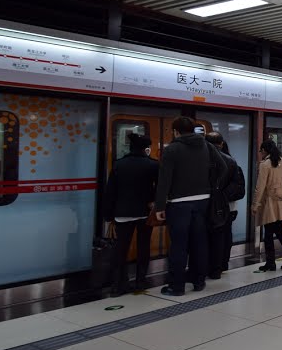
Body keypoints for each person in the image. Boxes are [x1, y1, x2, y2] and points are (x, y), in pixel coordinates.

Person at [154, 117, 227, 296]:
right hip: (203, 201)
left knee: (179, 245)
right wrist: (211, 186)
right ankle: (198, 281)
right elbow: (223, 167)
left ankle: (176, 286)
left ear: (176, 131)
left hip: (178, 204)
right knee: (199, 242)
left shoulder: (172, 149)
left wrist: (159, 206)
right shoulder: (207, 146)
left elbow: (164, 180)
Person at [102, 133, 158, 296]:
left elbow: (110, 192)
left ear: (130, 147)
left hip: (122, 213)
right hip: (144, 213)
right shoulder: (153, 165)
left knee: (121, 248)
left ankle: (118, 284)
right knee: (143, 246)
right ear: (146, 148)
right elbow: (160, 188)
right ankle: (141, 280)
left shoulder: (119, 165)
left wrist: (108, 215)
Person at [252, 139, 282, 271]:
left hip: (270, 204)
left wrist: (255, 204)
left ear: (265, 151)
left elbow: (260, 187)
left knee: (268, 234)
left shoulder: (265, 164)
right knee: (279, 231)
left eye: (261, 150)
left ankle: (271, 263)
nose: (260, 153)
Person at [205, 132, 245, 279]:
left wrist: (215, 196)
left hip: (206, 205)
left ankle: (208, 266)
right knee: (224, 236)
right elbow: (239, 188)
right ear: (221, 144)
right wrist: (222, 196)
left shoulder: (200, 160)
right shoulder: (232, 162)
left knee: (207, 237)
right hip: (227, 207)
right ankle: (221, 265)